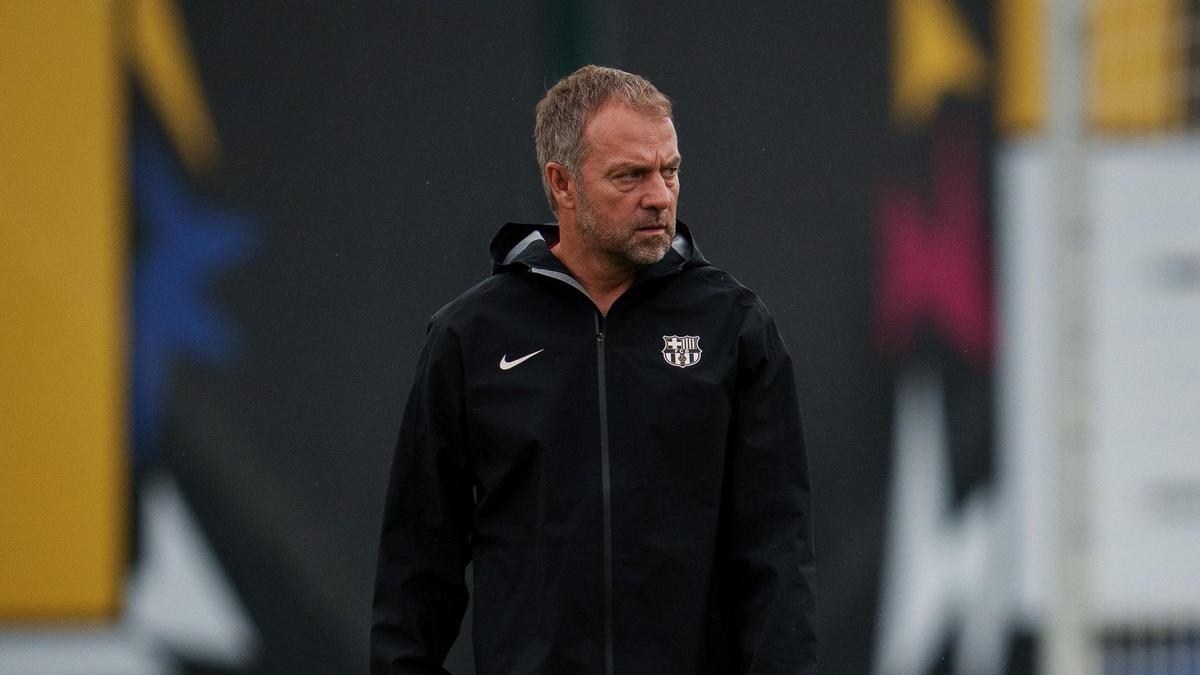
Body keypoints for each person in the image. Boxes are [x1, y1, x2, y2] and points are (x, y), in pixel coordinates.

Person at [371, 65, 816, 674]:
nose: (659, 195)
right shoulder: (470, 337)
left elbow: (776, 555)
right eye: (630, 176)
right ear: (562, 184)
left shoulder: (734, 326)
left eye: (670, 170)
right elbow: (417, 564)